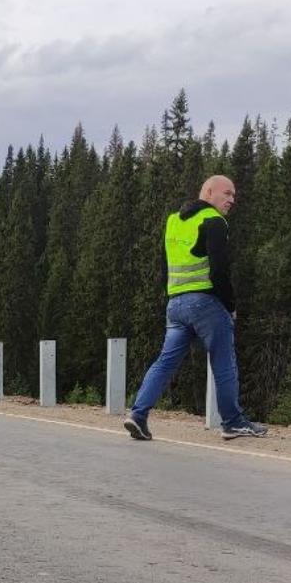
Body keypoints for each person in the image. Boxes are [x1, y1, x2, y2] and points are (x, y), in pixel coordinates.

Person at [123, 174, 267, 442]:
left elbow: (164, 265)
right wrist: (230, 305)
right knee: (223, 360)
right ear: (209, 192)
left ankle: (138, 415)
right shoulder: (213, 221)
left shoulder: (173, 221)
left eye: (234, 195)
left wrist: (171, 295)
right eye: (227, 193)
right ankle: (233, 422)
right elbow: (220, 270)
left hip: (176, 304)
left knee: (165, 362)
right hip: (206, 303)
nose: (232, 200)